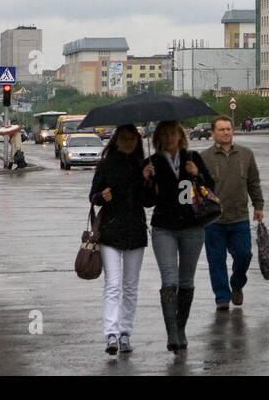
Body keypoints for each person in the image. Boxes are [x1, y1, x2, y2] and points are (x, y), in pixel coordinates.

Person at [144, 120, 215, 351]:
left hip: (192, 227)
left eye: (173, 133)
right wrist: (146, 178)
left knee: (186, 281)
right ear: (159, 138)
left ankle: (181, 327)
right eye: (165, 134)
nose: (170, 138)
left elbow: (211, 187)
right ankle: (171, 332)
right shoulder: (152, 162)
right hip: (164, 227)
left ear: (180, 136)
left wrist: (198, 175)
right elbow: (146, 201)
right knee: (170, 280)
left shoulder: (192, 158)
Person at [89, 124, 155, 355]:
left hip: (135, 232)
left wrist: (148, 179)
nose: (128, 142)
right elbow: (93, 197)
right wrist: (101, 196)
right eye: (124, 138)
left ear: (137, 142)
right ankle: (111, 334)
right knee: (113, 284)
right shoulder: (106, 165)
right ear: (116, 141)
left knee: (130, 286)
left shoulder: (143, 166)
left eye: (132, 139)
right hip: (110, 232)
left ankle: (125, 331)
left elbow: (149, 202)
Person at [202, 116, 264, 311]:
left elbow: (253, 182)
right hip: (213, 220)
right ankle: (222, 296)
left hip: (239, 217)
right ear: (212, 134)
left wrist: (258, 205)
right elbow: (197, 188)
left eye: (228, 129)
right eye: (221, 129)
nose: (226, 132)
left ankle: (237, 283)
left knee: (244, 255)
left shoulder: (246, 155)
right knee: (216, 260)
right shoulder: (204, 158)